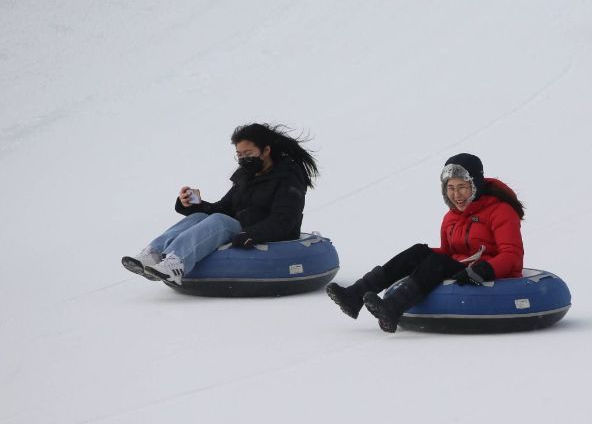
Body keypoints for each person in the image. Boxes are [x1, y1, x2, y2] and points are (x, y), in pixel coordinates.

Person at [326, 153, 524, 333]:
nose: (456, 195)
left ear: (476, 185)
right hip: (460, 268)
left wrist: (485, 269)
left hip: (486, 274)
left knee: (439, 263)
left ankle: (393, 308)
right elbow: (447, 251)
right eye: (451, 188)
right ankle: (355, 295)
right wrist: (422, 256)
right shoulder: (451, 217)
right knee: (418, 252)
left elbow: (512, 255)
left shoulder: (500, 211)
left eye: (462, 187)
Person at [121, 123, 318, 285]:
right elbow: (223, 209)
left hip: (267, 234)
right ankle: (153, 254)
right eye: (239, 155)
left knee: (220, 222)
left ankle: (177, 262)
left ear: (266, 150)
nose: (243, 159)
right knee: (200, 217)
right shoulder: (246, 177)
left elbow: (284, 220)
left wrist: (253, 234)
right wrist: (192, 204)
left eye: (248, 153)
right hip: (242, 228)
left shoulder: (288, 178)